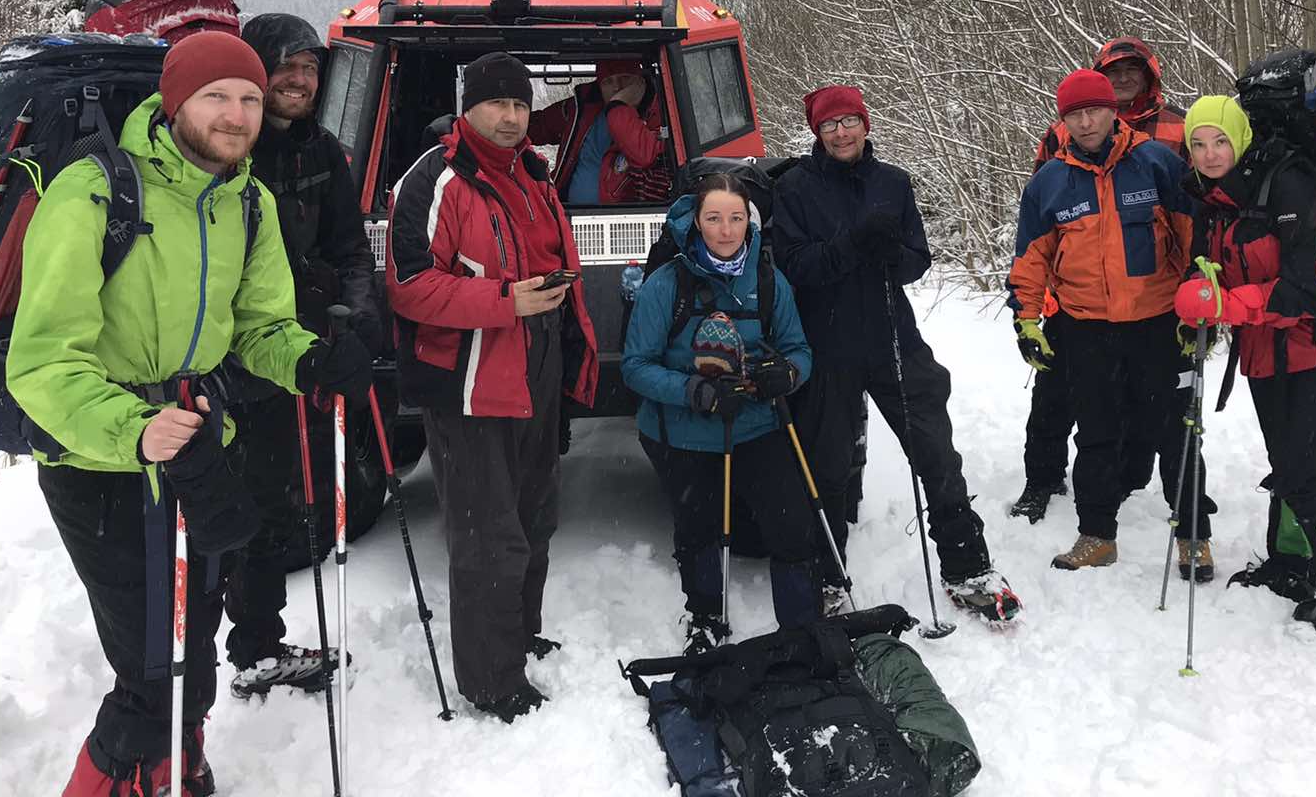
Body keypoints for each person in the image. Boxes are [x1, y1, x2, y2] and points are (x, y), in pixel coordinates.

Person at [6, 31, 373, 796]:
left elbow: (258, 325)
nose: (237, 114)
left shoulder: (249, 201)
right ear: (176, 103)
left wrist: (306, 357)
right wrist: (135, 428)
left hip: (201, 450)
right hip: (99, 463)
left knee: (191, 649)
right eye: (217, 97)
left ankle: (176, 769)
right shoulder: (95, 192)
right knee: (151, 672)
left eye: (247, 97)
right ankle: (123, 772)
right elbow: (41, 362)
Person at [386, 51, 598, 722]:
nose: (510, 118)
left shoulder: (534, 172)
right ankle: (491, 681)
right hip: (470, 381)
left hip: (533, 366)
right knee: (487, 536)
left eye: (519, 104)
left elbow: (546, 260)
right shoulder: (435, 180)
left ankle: (517, 632)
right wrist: (506, 300)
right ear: (467, 106)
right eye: (496, 104)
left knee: (535, 516)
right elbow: (411, 285)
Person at [773, 85, 1019, 622]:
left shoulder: (893, 183)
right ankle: (826, 578)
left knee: (935, 451)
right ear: (817, 132)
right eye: (830, 124)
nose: (841, 132)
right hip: (827, 342)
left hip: (892, 336)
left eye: (849, 121)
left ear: (865, 125)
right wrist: (853, 244)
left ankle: (967, 566)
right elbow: (794, 268)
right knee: (828, 465)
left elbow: (916, 261)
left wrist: (892, 252)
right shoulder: (794, 187)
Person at [1177, 96, 1316, 631]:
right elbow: (1212, 271)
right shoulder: (1214, 200)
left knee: (1303, 472)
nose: (1210, 153)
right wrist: (1197, 299)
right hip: (1265, 352)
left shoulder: (1290, 185)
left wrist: (1224, 305)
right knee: (1288, 465)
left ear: (1242, 138)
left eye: (1220, 140)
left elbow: (1308, 290)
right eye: (1198, 144)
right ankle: (1291, 564)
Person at [224, 13, 380, 698]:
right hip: (230, 366)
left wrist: (358, 324)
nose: (299, 80)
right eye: (285, 67)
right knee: (233, 511)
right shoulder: (228, 153)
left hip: (305, 354)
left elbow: (349, 248)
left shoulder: (325, 153)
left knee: (277, 504)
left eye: (310, 69)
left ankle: (257, 646)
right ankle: (190, 662)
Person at [1008, 69, 1212, 573]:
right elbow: (1030, 258)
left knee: (1176, 430)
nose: (1086, 121)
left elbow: (1195, 243)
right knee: (1095, 434)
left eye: (1094, 110)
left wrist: (1199, 305)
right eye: (1074, 114)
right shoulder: (1049, 183)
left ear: (1112, 109)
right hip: (1086, 326)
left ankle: (1193, 536)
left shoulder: (1157, 162)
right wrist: (1027, 320)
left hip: (1159, 322)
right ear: (1063, 121)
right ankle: (1096, 535)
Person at [622, 172, 818, 652]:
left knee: (791, 524)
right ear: (696, 221)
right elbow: (635, 366)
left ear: (749, 222)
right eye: (714, 218)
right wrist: (696, 391)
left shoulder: (769, 279)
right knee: (699, 528)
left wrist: (787, 375)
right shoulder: (667, 284)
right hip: (684, 433)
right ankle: (706, 618)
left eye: (735, 218)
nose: (726, 230)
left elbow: (800, 350)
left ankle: (800, 627)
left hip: (756, 425)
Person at [528, 58, 664, 205]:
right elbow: (537, 126)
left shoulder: (660, 113)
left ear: (640, 83)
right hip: (569, 211)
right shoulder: (582, 107)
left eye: (625, 79)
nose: (616, 87)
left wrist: (618, 106)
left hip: (626, 218)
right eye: (608, 82)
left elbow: (644, 156)